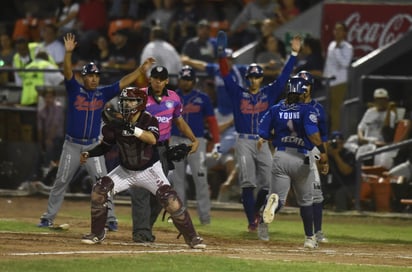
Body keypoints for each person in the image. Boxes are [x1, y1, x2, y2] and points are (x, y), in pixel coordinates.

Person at [37, 32, 155, 229]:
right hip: (72, 144)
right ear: (83, 77)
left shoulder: (103, 92)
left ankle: (110, 219)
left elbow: (124, 82)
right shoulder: (74, 89)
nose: (93, 79)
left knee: (103, 182)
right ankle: (48, 217)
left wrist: (140, 71)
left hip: (93, 145)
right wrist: (68, 54)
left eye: (96, 76)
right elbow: (67, 72)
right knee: (62, 180)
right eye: (90, 76)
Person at [79, 87, 205, 248]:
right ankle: (97, 233)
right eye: (125, 100)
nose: (126, 104)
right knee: (99, 190)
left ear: (140, 103)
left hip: (149, 169)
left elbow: (152, 139)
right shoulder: (116, 123)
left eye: (131, 101)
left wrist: (131, 129)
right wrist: (89, 153)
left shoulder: (149, 120)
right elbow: (105, 146)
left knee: (170, 200)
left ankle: (192, 237)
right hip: (125, 170)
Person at [217, 31, 302, 240]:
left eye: (257, 76)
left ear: (261, 78)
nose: (254, 80)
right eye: (251, 77)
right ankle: (251, 221)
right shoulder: (239, 93)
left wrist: (293, 54)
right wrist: (220, 56)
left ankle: (255, 211)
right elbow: (226, 76)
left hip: (263, 142)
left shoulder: (269, 92)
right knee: (248, 182)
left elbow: (283, 78)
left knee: (267, 183)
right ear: (247, 79)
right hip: (244, 139)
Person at [129, 65, 199, 243]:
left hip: (161, 150)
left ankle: (146, 228)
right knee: (140, 193)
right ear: (150, 79)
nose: (158, 81)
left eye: (161, 78)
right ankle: (140, 232)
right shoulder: (140, 96)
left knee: (159, 194)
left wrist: (193, 139)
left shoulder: (174, 98)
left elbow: (179, 121)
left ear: (167, 80)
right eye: (155, 78)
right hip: (141, 148)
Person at [259, 76, 329, 249]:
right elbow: (313, 134)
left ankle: (271, 208)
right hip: (301, 158)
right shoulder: (308, 110)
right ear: (300, 92)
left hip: (280, 155)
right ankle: (309, 238)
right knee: (306, 201)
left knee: (279, 199)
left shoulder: (275, 109)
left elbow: (263, 132)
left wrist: (275, 136)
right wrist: (323, 152)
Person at [168, 65, 220, 225]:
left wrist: (216, 142)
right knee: (178, 181)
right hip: (175, 140)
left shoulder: (202, 98)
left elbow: (211, 121)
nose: (186, 82)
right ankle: (179, 215)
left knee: (201, 179)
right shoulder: (172, 97)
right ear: (179, 80)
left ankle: (205, 218)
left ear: (194, 80)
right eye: (184, 79)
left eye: (189, 79)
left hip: (196, 142)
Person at [296, 70, 329, 243]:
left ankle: (317, 232)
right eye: (301, 84)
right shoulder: (288, 105)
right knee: (278, 194)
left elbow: (323, 137)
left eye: (307, 84)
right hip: (293, 150)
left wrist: (325, 159)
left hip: (313, 151)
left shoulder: (318, 108)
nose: (304, 88)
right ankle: (262, 221)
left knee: (316, 195)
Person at [323, 21, 353, 131]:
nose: (337, 32)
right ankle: (329, 131)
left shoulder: (347, 47)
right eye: (336, 29)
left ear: (345, 33)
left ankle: (336, 132)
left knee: (336, 109)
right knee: (329, 109)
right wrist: (324, 77)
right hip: (328, 81)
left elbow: (345, 63)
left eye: (340, 30)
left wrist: (337, 50)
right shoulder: (331, 44)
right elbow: (328, 63)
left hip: (340, 81)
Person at [323, 131, 356, 212]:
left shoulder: (348, 154)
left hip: (347, 185)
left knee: (340, 193)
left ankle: (341, 215)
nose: (338, 146)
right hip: (330, 185)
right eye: (335, 143)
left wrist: (336, 156)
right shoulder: (326, 155)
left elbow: (346, 171)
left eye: (340, 143)